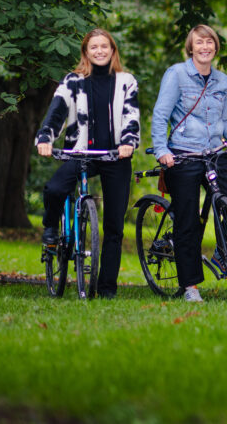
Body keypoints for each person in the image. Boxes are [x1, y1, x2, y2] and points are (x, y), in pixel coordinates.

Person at [35, 29, 140, 299]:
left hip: (115, 156)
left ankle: (106, 289)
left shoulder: (126, 81)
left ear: (113, 50)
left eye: (104, 46)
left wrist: (128, 142)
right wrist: (45, 138)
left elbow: (131, 116)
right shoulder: (73, 81)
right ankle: (51, 228)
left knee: (115, 226)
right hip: (81, 153)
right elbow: (56, 113)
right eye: (94, 47)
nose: (100, 51)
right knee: (56, 188)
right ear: (86, 52)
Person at [151, 24, 227, 303]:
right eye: (199, 43)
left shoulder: (222, 81)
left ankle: (222, 255)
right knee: (188, 224)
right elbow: (161, 115)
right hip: (182, 155)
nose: (205, 47)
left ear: (216, 47)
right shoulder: (177, 74)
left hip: (214, 154)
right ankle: (191, 287)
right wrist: (161, 150)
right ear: (191, 47)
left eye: (210, 42)